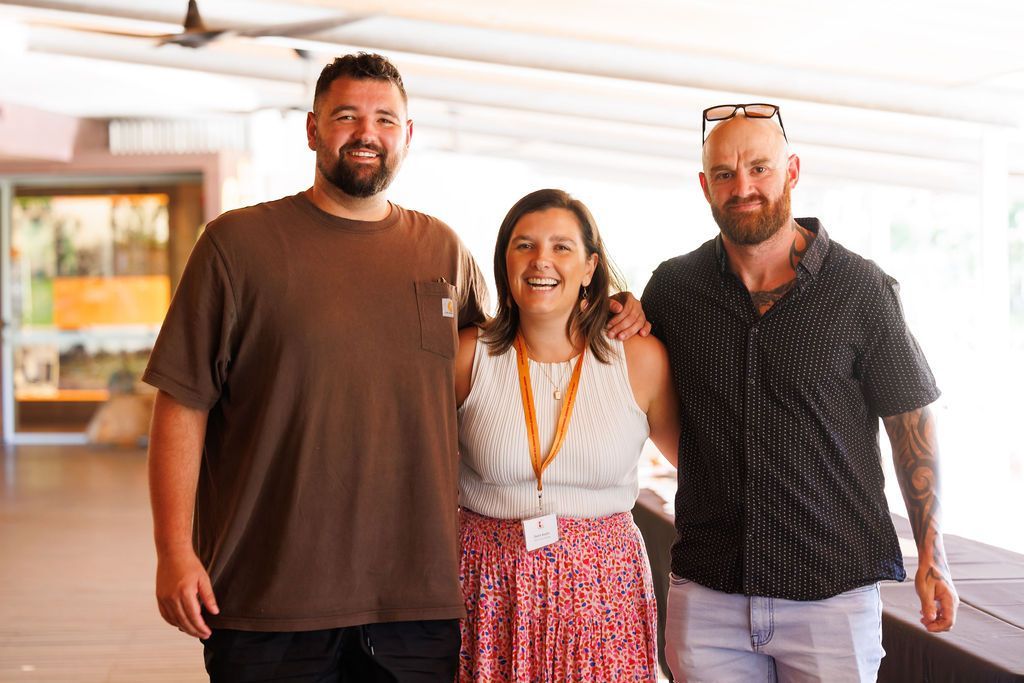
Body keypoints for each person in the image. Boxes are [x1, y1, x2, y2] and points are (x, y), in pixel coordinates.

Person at [145, 53, 649, 682]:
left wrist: (613, 308)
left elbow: (518, 344)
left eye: (385, 119)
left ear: (407, 137)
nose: (367, 133)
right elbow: (181, 404)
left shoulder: (441, 250)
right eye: (346, 116)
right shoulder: (236, 245)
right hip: (268, 594)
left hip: (416, 603)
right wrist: (173, 551)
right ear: (311, 129)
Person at [641, 104, 959, 682]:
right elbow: (642, 386)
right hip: (709, 594)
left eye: (759, 168)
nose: (744, 187)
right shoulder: (673, 289)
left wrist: (932, 555)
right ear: (704, 186)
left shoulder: (860, 289)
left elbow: (910, 422)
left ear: (792, 171)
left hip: (831, 596)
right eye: (725, 174)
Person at [454, 189, 679, 682]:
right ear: (505, 261)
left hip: (605, 597)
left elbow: (702, 464)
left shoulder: (639, 359)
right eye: (524, 245)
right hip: (490, 590)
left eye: (561, 247)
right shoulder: (468, 357)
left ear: (590, 265)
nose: (541, 261)